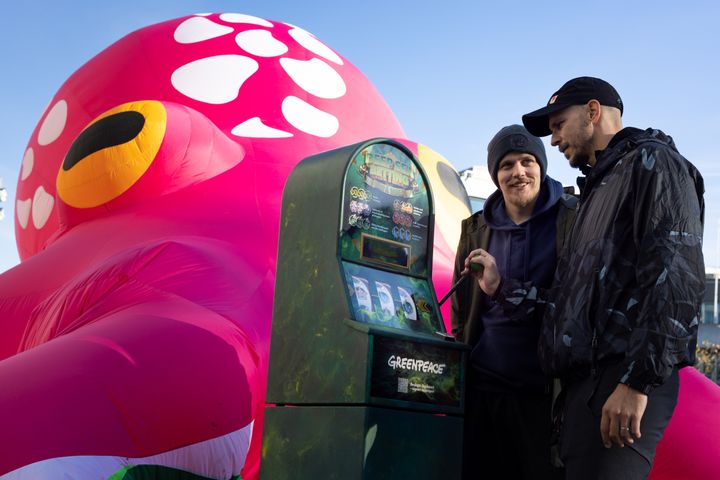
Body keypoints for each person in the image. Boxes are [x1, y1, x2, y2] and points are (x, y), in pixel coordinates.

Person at [467, 77, 705, 479]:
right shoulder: (597, 189)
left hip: (622, 384)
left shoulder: (653, 162)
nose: (555, 139)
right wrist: (500, 288)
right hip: (587, 390)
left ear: (592, 113)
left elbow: (676, 279)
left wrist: (636, 383)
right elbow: (571, 308)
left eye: (559, 124)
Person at [451, 124, 576, 479]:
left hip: (545, 398)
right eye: (506, 165)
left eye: (527, 161)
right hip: (482, 393)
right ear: (495, 175)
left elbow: (575, 309)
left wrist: (503, 287)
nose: (518, 172)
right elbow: (461, 310)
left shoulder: (572, 219)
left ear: (541, 166)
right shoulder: (475, 228)